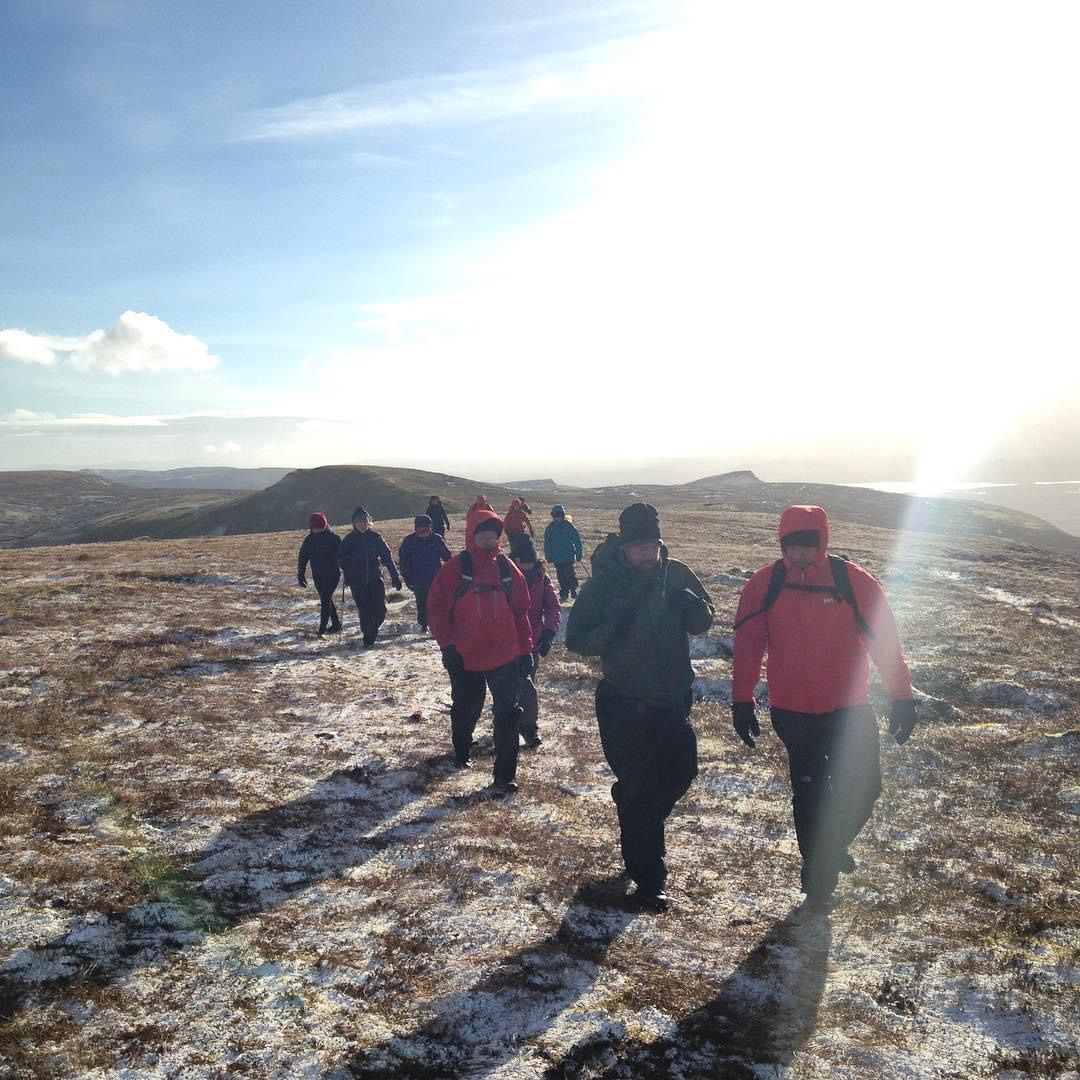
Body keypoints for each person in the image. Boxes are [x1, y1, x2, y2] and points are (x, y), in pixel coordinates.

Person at [731, 504, 917, 913]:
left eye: (807, 546)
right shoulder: (765, 584)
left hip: (850, 708)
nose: (798, 554)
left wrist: (902, 697)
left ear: (823, 542)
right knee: (811, 791)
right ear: (781, 544)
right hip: (792, 709)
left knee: (866, 788)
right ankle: (818, 875)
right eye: (790, 546)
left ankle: (829, 847)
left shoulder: (854, 583)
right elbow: (748, 647)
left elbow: (885, 644)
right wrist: (741, 699)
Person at [565, 503, 714, 912]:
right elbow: (576, 639)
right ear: (625, 548)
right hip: (624, 702)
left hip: (672, 698)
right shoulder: (606, 584)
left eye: (654, 545)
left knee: (681, 773)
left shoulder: (677, 573)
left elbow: (705, 619)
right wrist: (613, 629)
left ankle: (632, 809)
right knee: (645, 788)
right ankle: (651, 880)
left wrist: (695, 610)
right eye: (639, 547)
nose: (648, 553)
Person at [427, 508, 534, 796]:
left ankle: (505, 776)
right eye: (482, 534)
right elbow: (436, 608)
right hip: (465, 654)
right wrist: (447, 645)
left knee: (508, 714)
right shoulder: (455, 568)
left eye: (493, 535)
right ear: (471, 535)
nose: (488, 540)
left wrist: (525, 650)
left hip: (505, 653)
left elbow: (521, 611)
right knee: (466, 707)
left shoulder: (506, 568)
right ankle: (462, 749)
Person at [508, 533, 561, 749]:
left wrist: (548, 633)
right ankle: (527, 729)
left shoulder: (542, 578)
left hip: (533, 642)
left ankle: (515, 721)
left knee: (526, 682)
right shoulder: (503, 577)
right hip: (506, 641)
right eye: (522, 561)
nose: (526, 566)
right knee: (523, 687)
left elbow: (553, 607)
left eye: (530, 562)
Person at [336, 505, 403, 647]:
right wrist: (345, 563)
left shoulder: (376, 538)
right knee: (365, 610)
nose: (362, 524)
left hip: (375, 579)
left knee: (380, 610)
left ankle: (370, 631)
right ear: (354, 523)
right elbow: (339, 557)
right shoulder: (349, 540)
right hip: (356, 581)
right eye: (359, 522)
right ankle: (368, 637)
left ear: (368, 522)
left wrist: (395, 576)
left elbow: (387, 558)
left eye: (364, 522)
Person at [398, 515, 453, 632]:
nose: (424, 532)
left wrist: (452, 572)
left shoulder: (437, 539)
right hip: (418, 579)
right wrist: (407, 578)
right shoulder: (409, 541)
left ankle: (438, 626)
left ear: (430, 528)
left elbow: (447, 557)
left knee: (437, 604)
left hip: (436, 578)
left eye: (427, 529)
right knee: (422, 604)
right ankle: (424, 625)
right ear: (416, 529)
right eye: (421, 529)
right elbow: (403, 561)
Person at [297, 512, 342, 636]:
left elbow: (343, 555)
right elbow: (303, 557)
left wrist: (347, 569)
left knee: (325, 599)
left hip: (333, 575)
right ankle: (336, 624)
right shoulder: (309, 540)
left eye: (321, 527)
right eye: (316, 527)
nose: (318, 529)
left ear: (325, 525)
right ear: (312, 527)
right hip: (318, 575)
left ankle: (322, 627)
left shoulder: (333, 538)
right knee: (326, 598)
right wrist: (301, 573)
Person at [543, 504, 584, 601]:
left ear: (562, 515)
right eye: (556, 516)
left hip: (568, 556)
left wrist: (579, 553)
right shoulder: (551, 528)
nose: (558, 518)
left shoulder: (568, 526)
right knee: (561, 576)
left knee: (570, 574)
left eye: (559, 516)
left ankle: (573, 591)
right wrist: (548, 555)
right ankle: (564, 593)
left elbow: (576, 540)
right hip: (557, 557)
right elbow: (547, 542)